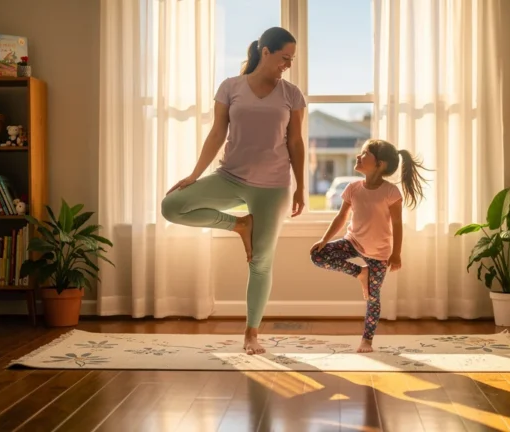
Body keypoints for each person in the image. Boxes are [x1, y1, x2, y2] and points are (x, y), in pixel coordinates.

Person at [161, 27, 306, 355]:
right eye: (284, 57)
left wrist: (300, 188)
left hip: (273, 185)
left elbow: (295, 142)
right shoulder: (230, 87)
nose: (288, 64)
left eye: (292, 59)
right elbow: (216, 134)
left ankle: (251, 334)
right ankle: (239, 224)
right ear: (265, 52)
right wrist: (194, 175)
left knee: (261, 261)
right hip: (230, 177)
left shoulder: (291, 94)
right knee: (172, 206)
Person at [310, 139, 430, 353]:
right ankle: (360, 273)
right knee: (317, 256)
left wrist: (396, 254)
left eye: (364, 153)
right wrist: (325, 240)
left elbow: (396, 224)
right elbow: (340, 218)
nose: (358, 156)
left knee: (373, 299)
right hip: (352, 242)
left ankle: (367, 341)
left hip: (379, 254)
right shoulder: (353, 188)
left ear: (380, 164)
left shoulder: (391, 192)